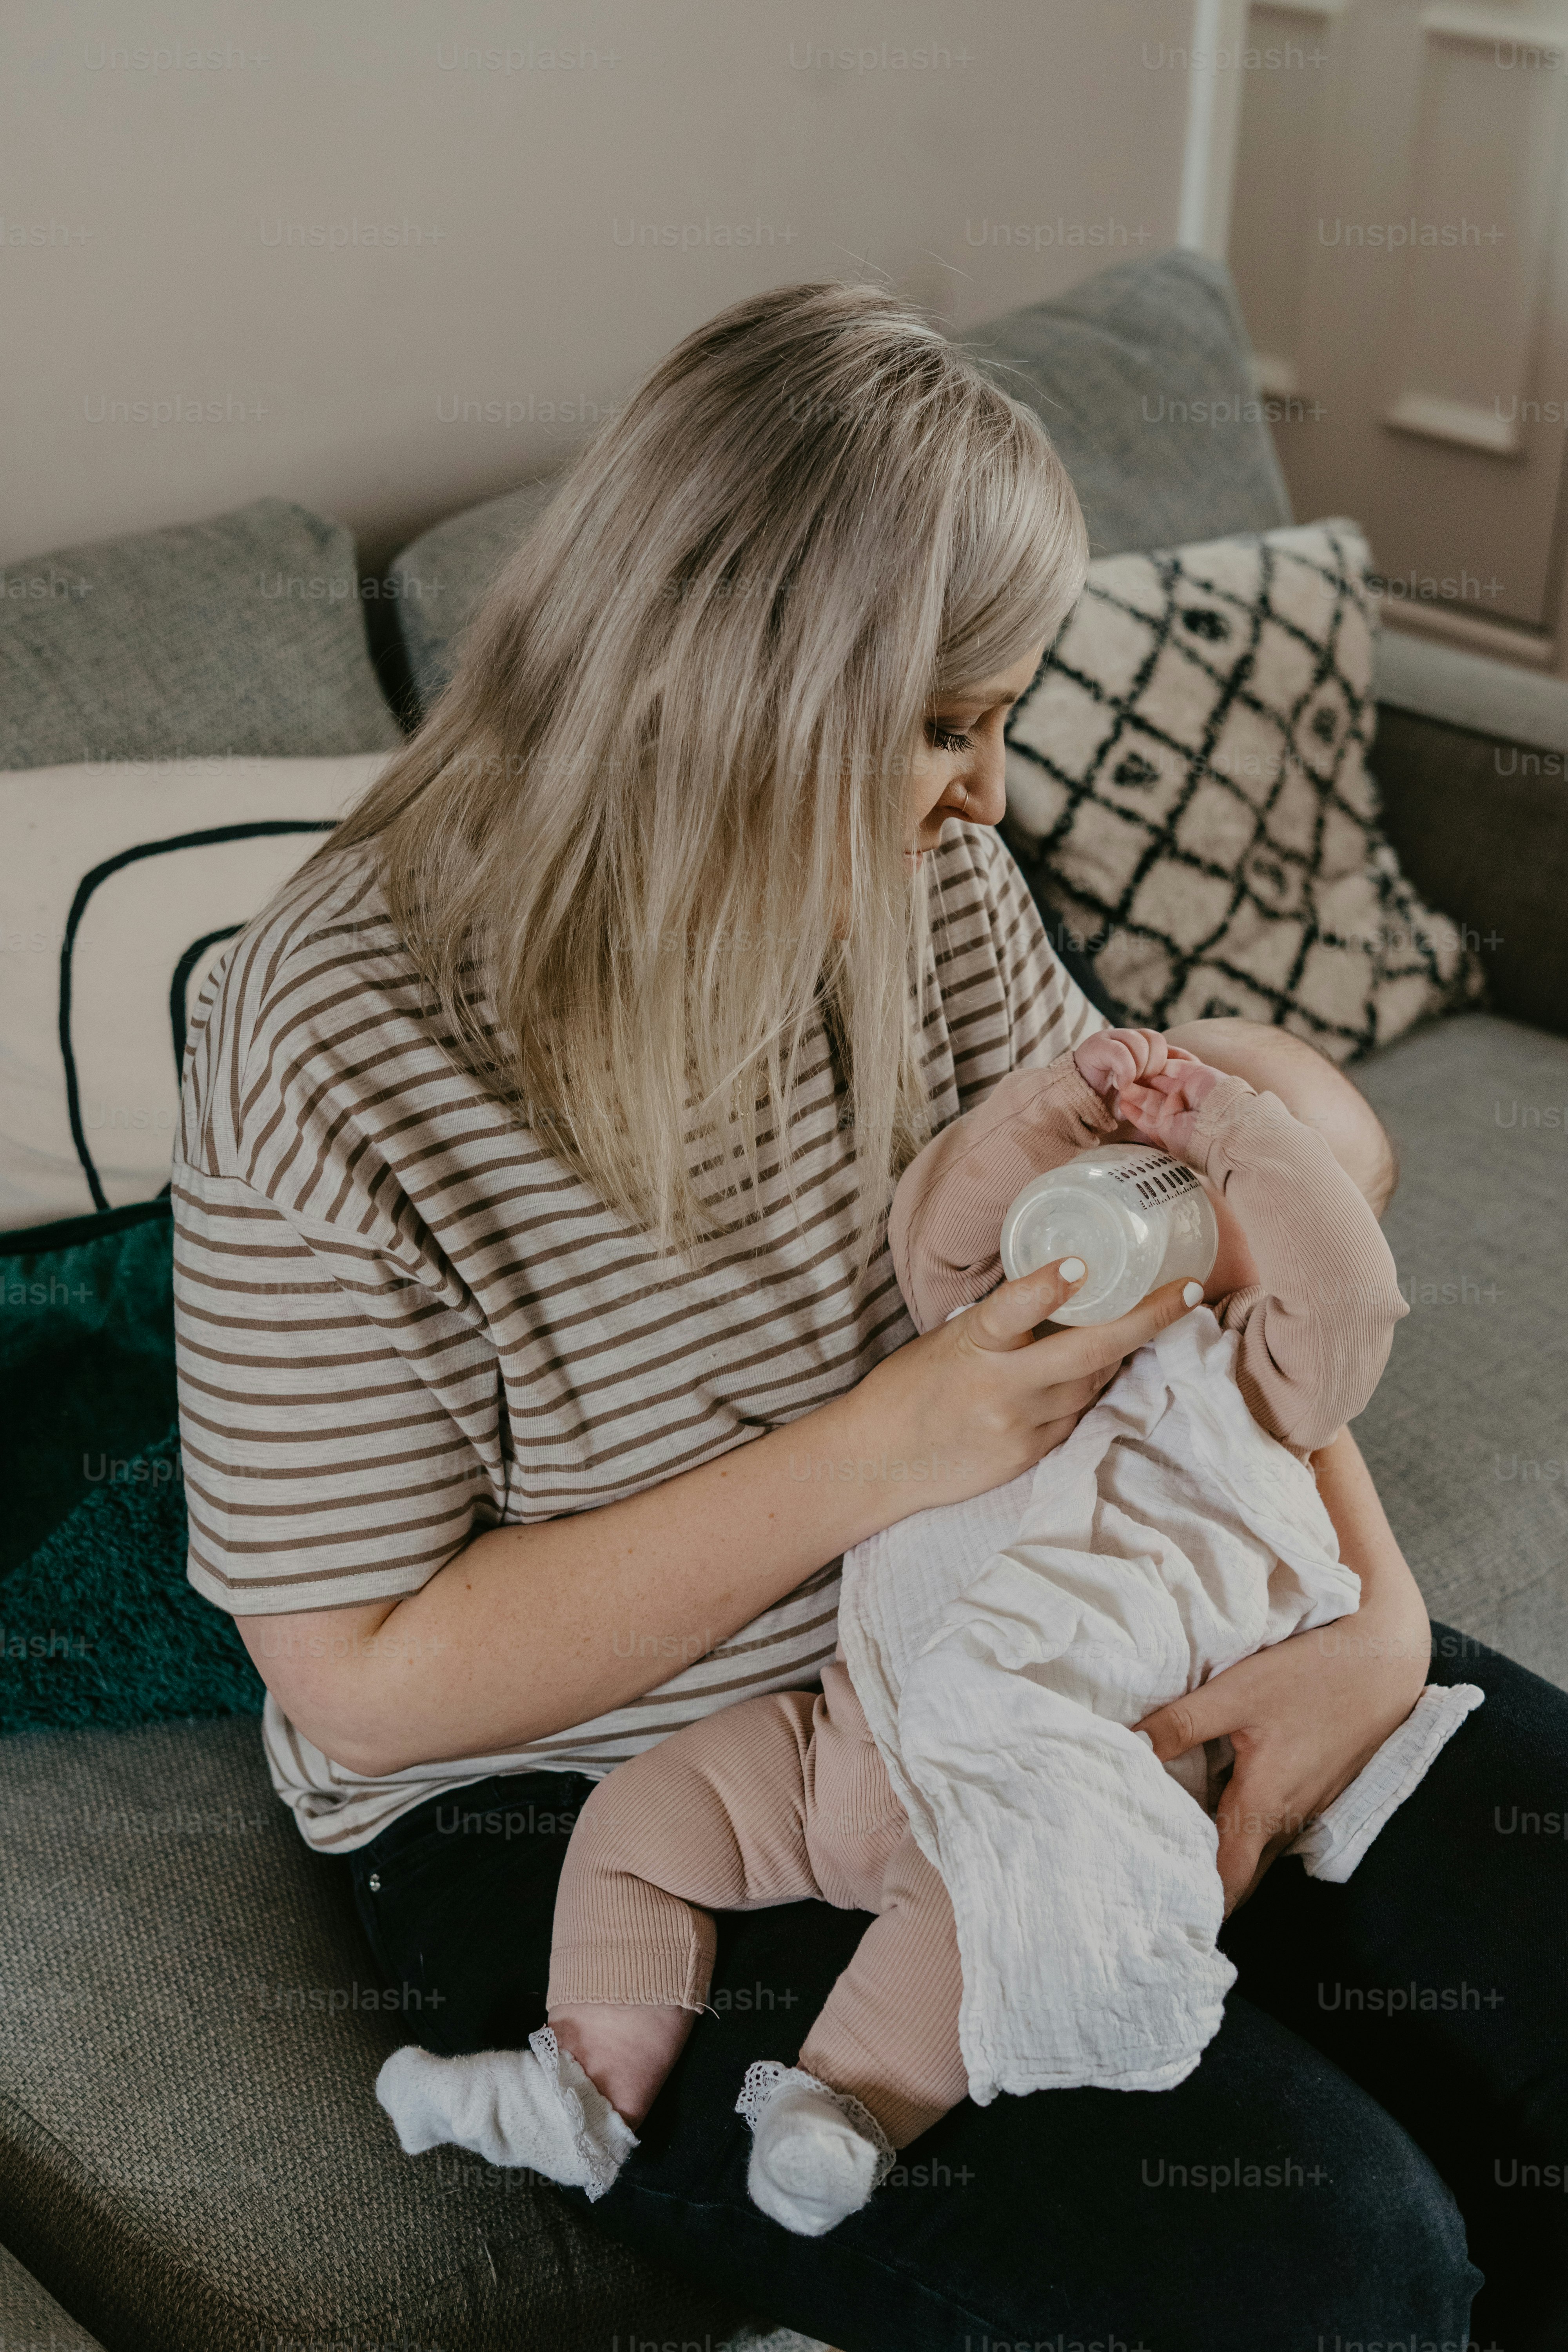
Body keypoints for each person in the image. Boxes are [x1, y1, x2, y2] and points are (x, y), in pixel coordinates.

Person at [173, 281, 1565, 2351]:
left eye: (997, 717)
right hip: (611, 1806)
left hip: (1032, 1622)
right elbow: (367, 1684)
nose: (989, 797)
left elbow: (1168, 1248)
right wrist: (886, 1445)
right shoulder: (324, 1030)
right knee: (1331, 2262)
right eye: (942, 725)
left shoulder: (921, 886)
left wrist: (1361, 1616)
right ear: (736, 693)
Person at [371, 1019, 1479, 2239]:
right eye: (1156, 1125)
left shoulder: (1262, 1391)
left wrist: (1230, 1128)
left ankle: (835, 2116)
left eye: (1233, 1155)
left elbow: (1349, 1296)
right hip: (839, 1738)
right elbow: (943, 1228)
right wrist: (1078, 1097)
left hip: (1018, 1798)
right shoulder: (1027, 1317)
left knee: (978, 1949)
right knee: (639, 1822)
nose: (1171, 1152)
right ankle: (582, 2084)